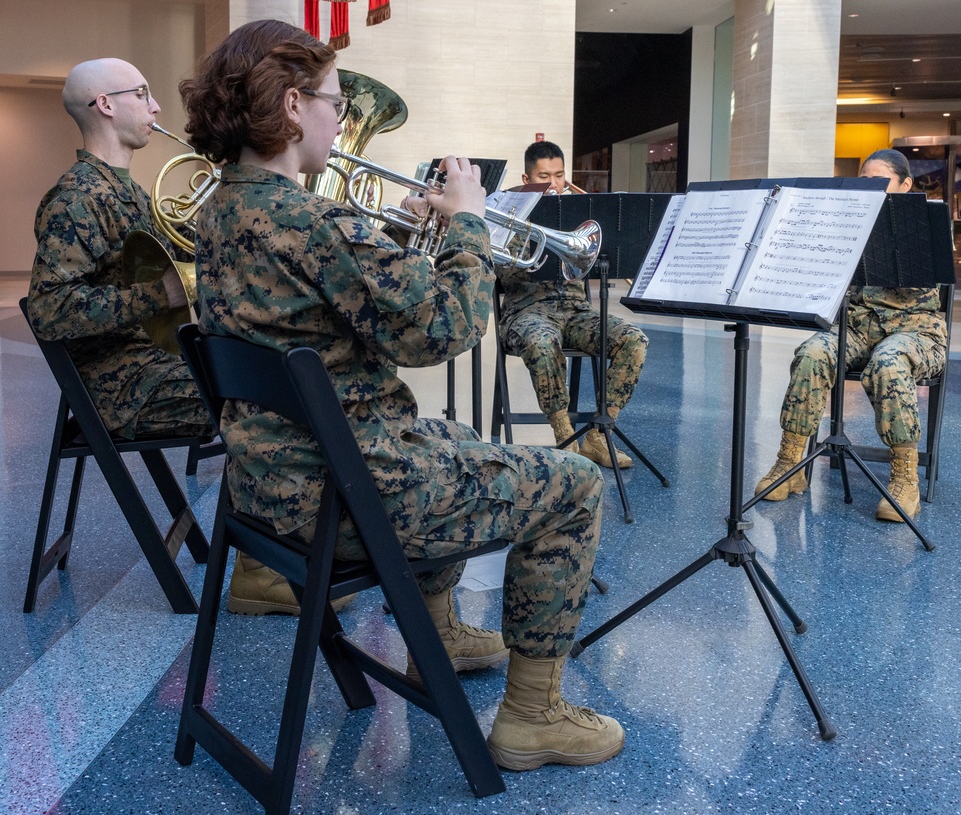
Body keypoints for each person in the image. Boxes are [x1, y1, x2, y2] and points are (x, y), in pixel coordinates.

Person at [179, 19, 624, 771]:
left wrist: (409, 240)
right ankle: (532, 716)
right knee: (576, 483)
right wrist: (472, 223)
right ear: (292, 105)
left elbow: (350, 310)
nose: (339, 118)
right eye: (334, 101)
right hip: (349, 494)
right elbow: (441, 329)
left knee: (449, 434)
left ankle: (440, 633)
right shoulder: (315, 220)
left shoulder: (223, 208)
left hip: (271, 488)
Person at [26, 58, 301, 616]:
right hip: (122, 384)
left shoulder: (124, 190)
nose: (156, 108)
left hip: (153, 362)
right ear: (106, 104)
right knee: (268, 400)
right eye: (144, 94)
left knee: (281, 376)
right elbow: (51, 309)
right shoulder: (76, 199)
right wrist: (163, 296)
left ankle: (275, 556)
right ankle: (262, 570)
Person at [754, 149, 947, 522]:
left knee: (888, 364)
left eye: (878, 181)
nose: (868, 188)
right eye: (864, 180)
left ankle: (904, 479)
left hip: (915, 331)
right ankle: (789, 462)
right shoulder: (848, 220)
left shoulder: (925, 224)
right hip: (856, 326)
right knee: (812, 352)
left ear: (905, 185)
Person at [496, 140, 648, 467]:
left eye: (559, 175)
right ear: (527, 178)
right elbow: (498, 272)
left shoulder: (581, 212)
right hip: (526, 312)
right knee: (541, 343)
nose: (553, 183)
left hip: (576, 313)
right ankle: (564, 435)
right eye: (544, 175)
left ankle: (597, 435)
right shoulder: (510, 214)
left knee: (633, 340)